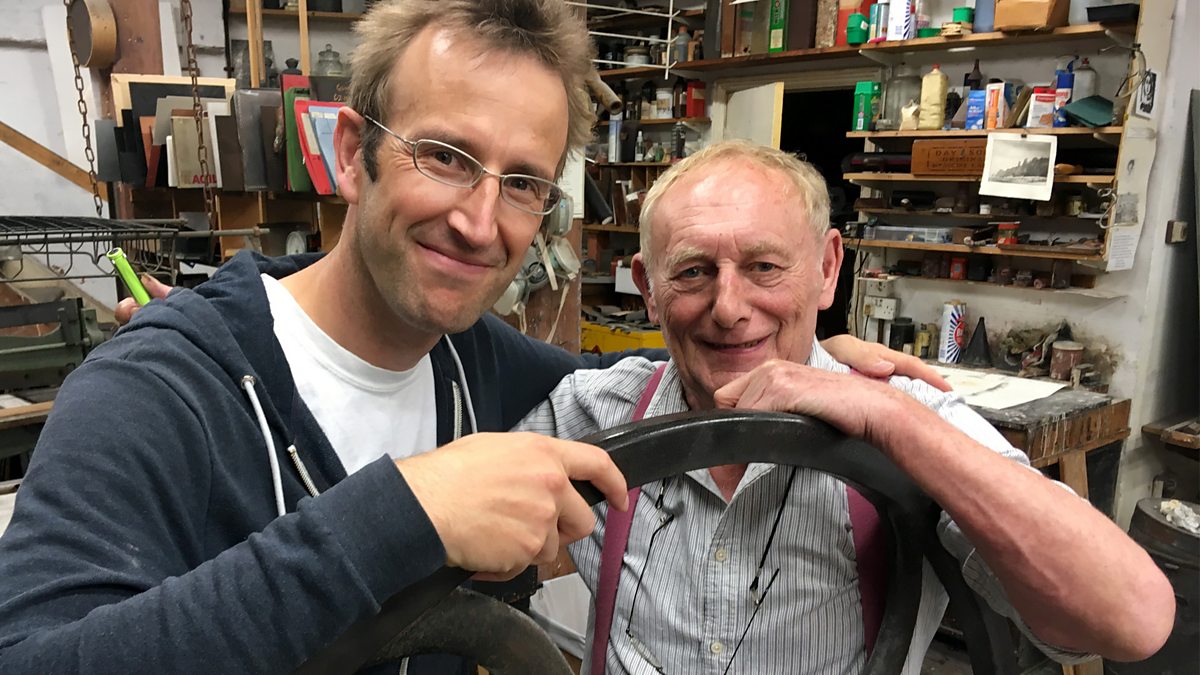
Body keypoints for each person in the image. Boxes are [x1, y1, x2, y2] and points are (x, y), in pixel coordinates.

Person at [0, 2, 933, 673]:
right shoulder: (158, 390)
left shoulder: (479, 362)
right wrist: (406, 513)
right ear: (351, 154)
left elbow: (646, 370)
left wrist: (801, 357)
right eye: (445, 156)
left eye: (522, 182)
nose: (481, 221)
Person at [516, 140, 1175, 674]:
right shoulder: (595, 410)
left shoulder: (910, 419)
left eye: (765, 266)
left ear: (829, 268)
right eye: (693, 272)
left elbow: (1132, 620)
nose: (729, 307)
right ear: (648, 288)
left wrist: (891, 418)